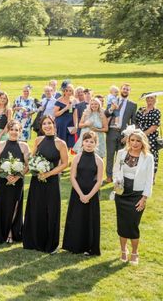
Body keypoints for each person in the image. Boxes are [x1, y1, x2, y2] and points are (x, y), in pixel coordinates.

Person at [23, 115, 69, 253]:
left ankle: (50, 243)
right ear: (41, 127)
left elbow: (65, 163)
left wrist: (49, 174)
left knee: (51, 210)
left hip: (52, 181)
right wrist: (33, 166)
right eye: (44, 124)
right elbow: (32, 158)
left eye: (49, 123)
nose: (47, 126)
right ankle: (33, 240)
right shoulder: (38, 140)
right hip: (37, 180)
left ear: (54, 125)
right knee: (36, 208)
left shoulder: (61, 143)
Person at [112, 129, 154, 265]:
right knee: (122, 223)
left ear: (142, 142)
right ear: (128, 141)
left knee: (133, 224)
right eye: (132, 140)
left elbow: (149, 179)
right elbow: (115, 171)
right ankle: (123, 250)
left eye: (138, 141)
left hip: (137, 195)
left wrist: (144, 198)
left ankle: (135, 252)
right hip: (122, 194)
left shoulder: (148, 157)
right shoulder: (121, 153)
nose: (135, 143)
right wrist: (116, 185)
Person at [0, 120, 29, 244]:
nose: (14, 132)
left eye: (17, 130)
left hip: (17, 181)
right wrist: (4, 174)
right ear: (8, 131)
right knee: (2, 204)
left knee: (15, 206)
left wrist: (17, 176)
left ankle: (11, 231)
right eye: (12, 129)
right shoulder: (0, 144)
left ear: (20, 132)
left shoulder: (24, 146)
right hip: (2, 181)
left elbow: (27, 165)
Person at [62, 131, 103, 256]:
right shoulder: (77, 157)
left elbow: (99, 180)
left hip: (92, 194)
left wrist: (88, 196)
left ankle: (89, 247)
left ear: (96, 144)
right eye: (86, 141)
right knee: (76, 218)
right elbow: (72, 177)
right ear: (82, 142)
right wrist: (80, 194)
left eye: (92, 142)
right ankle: (73, 245)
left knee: (89, 220)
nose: (89, 144)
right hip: (77, 192)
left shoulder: (98, 160)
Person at [105, 83, 137, 182]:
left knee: (121, 157)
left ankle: (118, 177)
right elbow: (106, 114)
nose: (125, 91)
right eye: (124, 89)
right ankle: (109, 177)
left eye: (127, 89)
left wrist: (128, 136)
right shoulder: (113, 100)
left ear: (129, 91)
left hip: (123, 135)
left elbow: (133, 123)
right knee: (110, 155)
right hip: (111, 132)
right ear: (120, 89)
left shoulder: (133, 105)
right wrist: (112, 108)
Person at [135, 94, 161, 176]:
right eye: (148, 98)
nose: (149, 99)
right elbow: (136, 122)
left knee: (151, 155)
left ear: (155, 100)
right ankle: (139, 175)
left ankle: (151, 176)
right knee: (138, 154)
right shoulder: (141, 109)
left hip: (151, 137)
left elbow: (155, 126)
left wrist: (143, 134)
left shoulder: (156, 111)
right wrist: (137, 133)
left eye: (152, 98)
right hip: (138, 136)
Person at [54, 83, 76, 149]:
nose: (68, 92)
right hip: (61, 124)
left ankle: (66, 158)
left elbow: (75, 114)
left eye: (70, 90)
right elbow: (55, 114)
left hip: (70, 123)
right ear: (63, 91)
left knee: (69, 143)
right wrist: (65, 108)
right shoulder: (59, 100)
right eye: (66, 90)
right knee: (60, 142)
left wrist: (76, 126)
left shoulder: (74, 100)